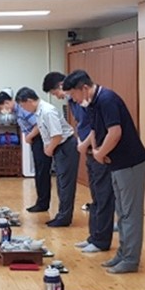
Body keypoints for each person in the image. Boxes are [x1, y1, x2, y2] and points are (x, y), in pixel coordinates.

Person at [64, 70, 145, 274]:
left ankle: (130, 259)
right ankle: (122, 254)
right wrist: (94, 151)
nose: (73, 100)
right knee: (121, 211)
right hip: (115, 163)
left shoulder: (107, 99)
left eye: (73, 95)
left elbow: (115, 132)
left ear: (84, 88)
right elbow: (94, 130)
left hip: (130, 162)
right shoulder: (92, 103)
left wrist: (100, 153)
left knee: (130, 213)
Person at [43, 71, 114, 252]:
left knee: (103, 196)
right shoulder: (73, 101)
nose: (58, 97)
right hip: (88, 150)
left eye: (55, 92)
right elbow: (81, 125)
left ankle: (101, 241)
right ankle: (94, 237)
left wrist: (88, 145)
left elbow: (94, 126)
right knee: (96, 197)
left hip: (97, 151)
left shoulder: (90, 100)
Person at [15, 88, 79, 227]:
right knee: (61, 183)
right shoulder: (39, 111)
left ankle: (64, 218)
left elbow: (57, 135)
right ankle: (62, 215)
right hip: (59, 147)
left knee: (65, 184)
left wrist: (49, 150)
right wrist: (47, 146)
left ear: (30, 101)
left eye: (22, 105)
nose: (23, 109)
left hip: (65, 146)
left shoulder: (47, 111)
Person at [0, 91, 46, 207]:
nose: (3, 111)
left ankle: (42, 203)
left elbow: (38, 124)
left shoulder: (23, 108)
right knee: (39, 171)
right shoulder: (17, 111)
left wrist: (29, 136)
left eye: (2, 108)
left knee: (42, 172)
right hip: (34, 140)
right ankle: (41, 202)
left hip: (39, 139)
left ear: (7, 102)